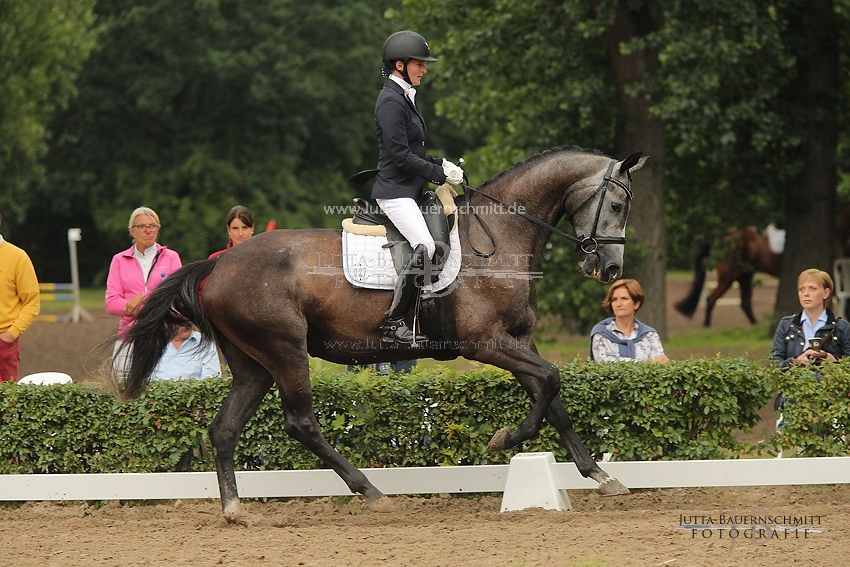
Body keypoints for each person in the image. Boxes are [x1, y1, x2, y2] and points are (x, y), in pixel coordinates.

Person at [372, 30, 464, 345]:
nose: (424, 69)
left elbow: (416, 153)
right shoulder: (389, 100)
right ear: (399, 64)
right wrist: (439, 173)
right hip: (394, 192)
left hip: (411, 189)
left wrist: (444, 164)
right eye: (419, 64)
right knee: (425, 246)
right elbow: (399, 157)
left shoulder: (404, 96)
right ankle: (393, 321)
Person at [770, 268, 850, 432]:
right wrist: (797, 361)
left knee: (814, 379)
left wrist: (832, 360)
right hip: (794, 389)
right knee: (798, 387)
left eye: (812, 289)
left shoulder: (841, 327)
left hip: (830, 391)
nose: (806, 294)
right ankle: (785, 433)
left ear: (826, 293)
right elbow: (773, 364)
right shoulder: (786, 325)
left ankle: (783, 434)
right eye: (802, 289)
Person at [105, 207, 182, 371]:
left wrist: (140, 302)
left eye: (152, 226)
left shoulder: (171, 257)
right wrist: (131, 305)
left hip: (163, 335)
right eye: (142, 226)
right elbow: (111, 303)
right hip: (129, 337)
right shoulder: (119, 260)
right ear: (131, 231)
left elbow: (177, 296)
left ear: (158, 229)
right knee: (123, 388)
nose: (148, 231)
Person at [0, 209, 41, 382]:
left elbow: (32, 302)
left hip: (4, 341)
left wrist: (10, 335)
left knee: (6, 405)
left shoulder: (17, 257)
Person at [589, 278, 670, 363]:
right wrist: (647, 364)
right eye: (614, 299)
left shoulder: (650, 335)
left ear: (636, 304)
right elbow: (606, 363)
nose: (618, 304)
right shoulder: (601, 333)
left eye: (624, 298)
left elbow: (660, 364)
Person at [150, 322, 221, 380]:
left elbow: (211, 380)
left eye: (189, 318)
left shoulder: (205, 343)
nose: (187, 324)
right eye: (181, 320)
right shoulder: (153, 343)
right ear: (166, 322)